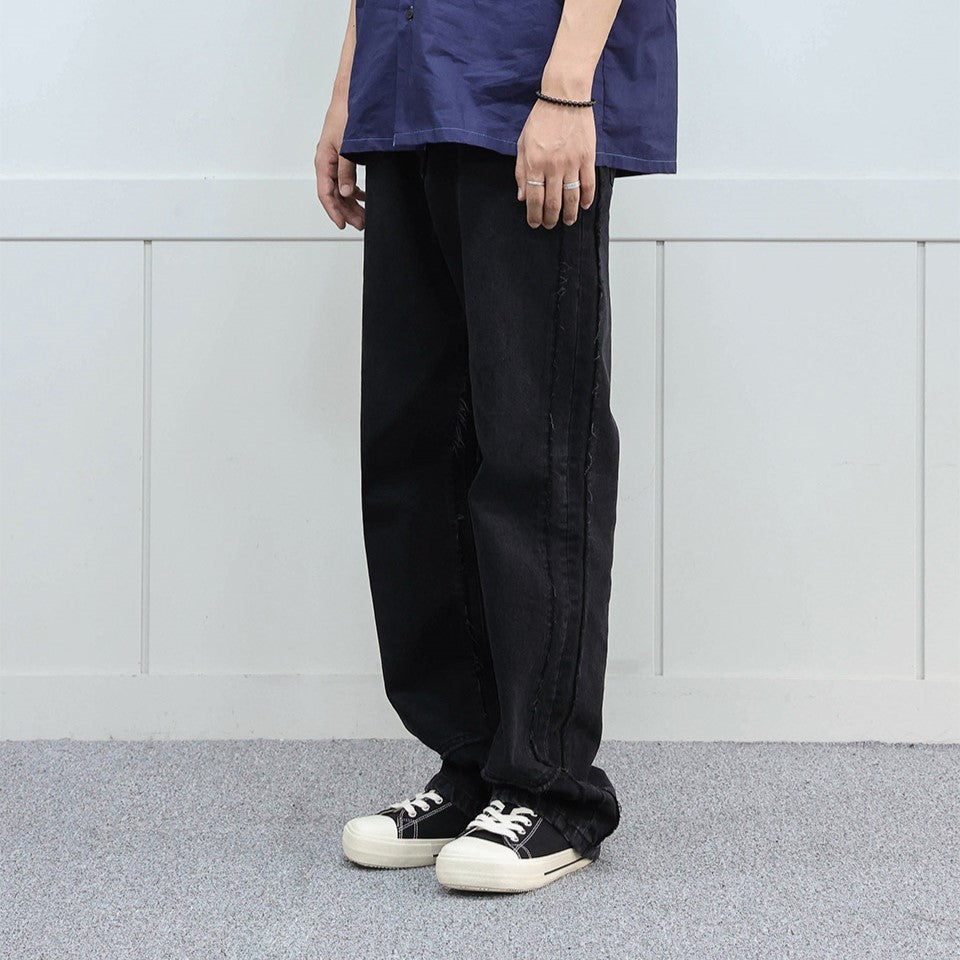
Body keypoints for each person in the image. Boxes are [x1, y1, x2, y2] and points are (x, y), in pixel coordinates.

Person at [314, 0, 677, 894]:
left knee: (533, 444)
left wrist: (568, 90)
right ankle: (474, 764)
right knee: (414, 449)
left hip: (525, 88)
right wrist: (350, 90)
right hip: (405, 89)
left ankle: (551, 788)